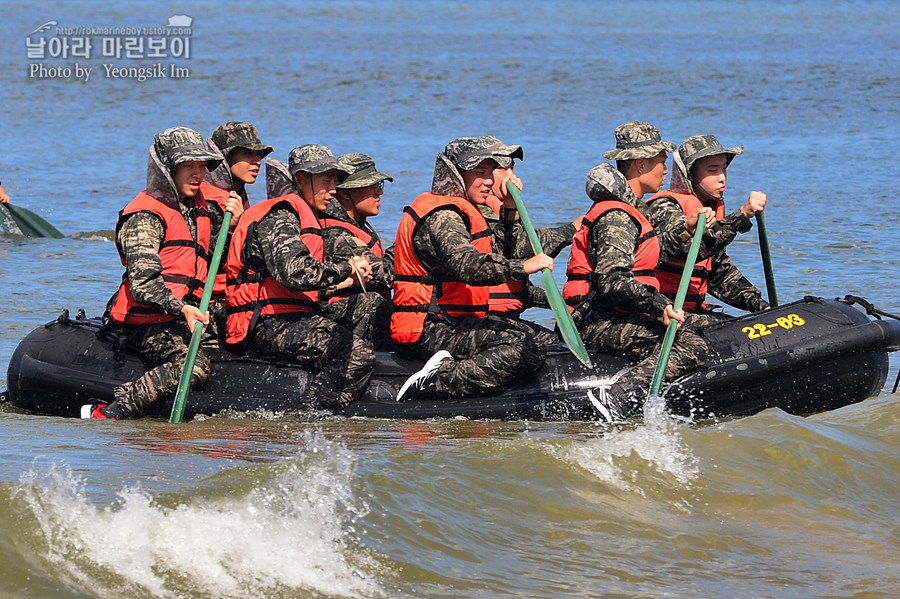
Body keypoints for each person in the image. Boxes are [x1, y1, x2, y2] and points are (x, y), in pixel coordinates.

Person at [82, 126, 240, 419]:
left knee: (247, 323)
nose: (198, 174)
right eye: (188, 166)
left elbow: (218, 261)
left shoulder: (199, 210)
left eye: (202, 166)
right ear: (168, 169)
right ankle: (114, 410)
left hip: (188, 308)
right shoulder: (144, 217)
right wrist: (183, 310)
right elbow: (144, 284)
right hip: (149, 321)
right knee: (196, 368)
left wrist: (233, 226)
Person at [391, 136, 554, 401]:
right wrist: (523, 267)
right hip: (431, 328)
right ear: (456, 174)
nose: (489, 180)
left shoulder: (467, 210)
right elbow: (468, 266)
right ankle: (435, 382)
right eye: (480, 173)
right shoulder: (444, 216)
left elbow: (503, 251)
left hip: (456, 320)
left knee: (546, 342)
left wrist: (510, 207)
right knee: (525, 347)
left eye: (490, 172)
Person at [224, 144, 377, 410]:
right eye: (325, 181)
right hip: (264, 322)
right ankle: (307, 413)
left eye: (335, 181)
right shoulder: (280, 216)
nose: (332, 190)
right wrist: (346, 269)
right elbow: (295, 272)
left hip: (293, 313)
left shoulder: (308, 216)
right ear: (301, 179)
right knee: (358, 354)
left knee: (370, 304)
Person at [563, 163, 709, 422]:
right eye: (661, 160)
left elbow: (644, 260)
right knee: (692, 345)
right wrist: (658, 302)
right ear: (642, 164)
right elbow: (612, 280)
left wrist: (685, 228)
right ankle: (615, 396)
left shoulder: (628, 212)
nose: (666, 170)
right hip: (598, 319)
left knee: (706, 325)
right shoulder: (616, 217)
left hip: (618, 312)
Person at [645, 134, 769, 321]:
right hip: (665, 314)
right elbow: (689, 249)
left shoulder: (712, 208)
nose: (722, 178)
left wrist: (763, 307)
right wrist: (740, 216)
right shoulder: (665, 207)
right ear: (691, 175)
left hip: (694, 311)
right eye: (713, 170)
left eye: (724, 169)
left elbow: (719, 273)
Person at [479, 135, 578, 347]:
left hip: (505, 312)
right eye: (505, 169)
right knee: (553, 346)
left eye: (513, 168)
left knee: (563, 330)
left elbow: (516, 278)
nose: (512, 176)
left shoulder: (500, 207)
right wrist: (571, 230)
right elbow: (522, 250)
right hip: (481, 319)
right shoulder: (480, 212)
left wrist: (557, 302)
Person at [201, 121, 274, 339]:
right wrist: (232, 229)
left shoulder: (238, 195)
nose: (257, 162)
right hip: (206, 302)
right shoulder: (209, 202)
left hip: (235, 293)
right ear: (225, 158)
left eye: (259, 155)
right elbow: (202, 257)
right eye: (247, 154)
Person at [320, 152, 395, 349]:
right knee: (374, 302)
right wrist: (410, 244)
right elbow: (382, 274)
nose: (379, 193)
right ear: (345, 193)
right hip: (336, 320)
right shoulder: (337, 233)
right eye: (372, 187)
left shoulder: (359, 225)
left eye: (380, 185)